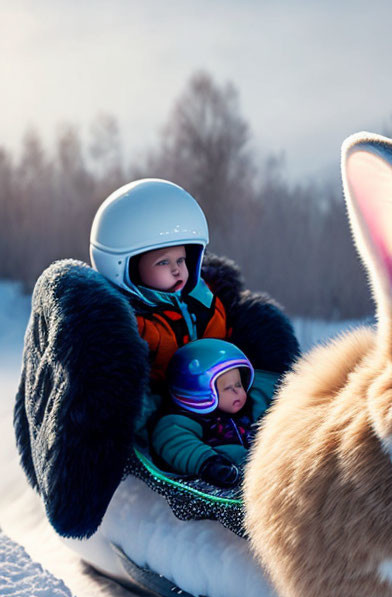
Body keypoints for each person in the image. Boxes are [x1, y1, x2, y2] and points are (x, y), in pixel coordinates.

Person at [90, 178, 229, 391]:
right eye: (163, 262)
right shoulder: (128, 324)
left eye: (182, 260)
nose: (176, 270)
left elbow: (222, 343)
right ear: (129, 269)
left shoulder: (204, 302)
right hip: (162, 402)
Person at [151, 339, 280, 487]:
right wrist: (209, 463)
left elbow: (284, 389)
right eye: (227, 388)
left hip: (274, 463)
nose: (238, 391)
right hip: (235, 476)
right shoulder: (180, 421)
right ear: (201, 395)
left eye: (239, 384)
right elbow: (177, 442)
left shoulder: (255, 400)